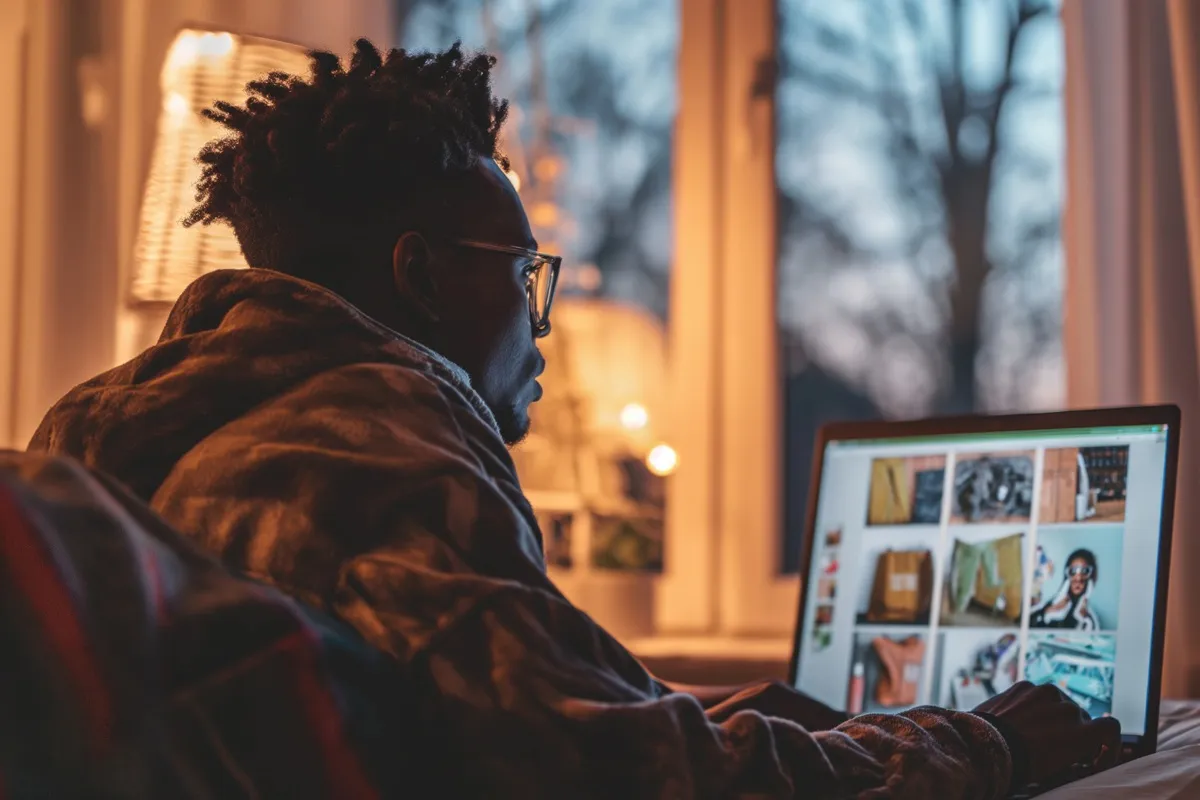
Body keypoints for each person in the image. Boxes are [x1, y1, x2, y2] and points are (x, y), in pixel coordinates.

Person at [29, 39, 1119, 797]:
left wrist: (660, 694)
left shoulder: (143, 434)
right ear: (421, 276)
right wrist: (981, 741)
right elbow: (621, 778)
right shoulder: (375, 437)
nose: (542, 324)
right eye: (526, 274)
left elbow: (457, 717)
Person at [1031, 549, 1101, 630]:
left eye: (1085, 571)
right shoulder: (1050, 605)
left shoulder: (1090, 618)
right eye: (1073, 571)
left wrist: (1085, 619)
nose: (1078, 578)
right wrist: (1048, 611)